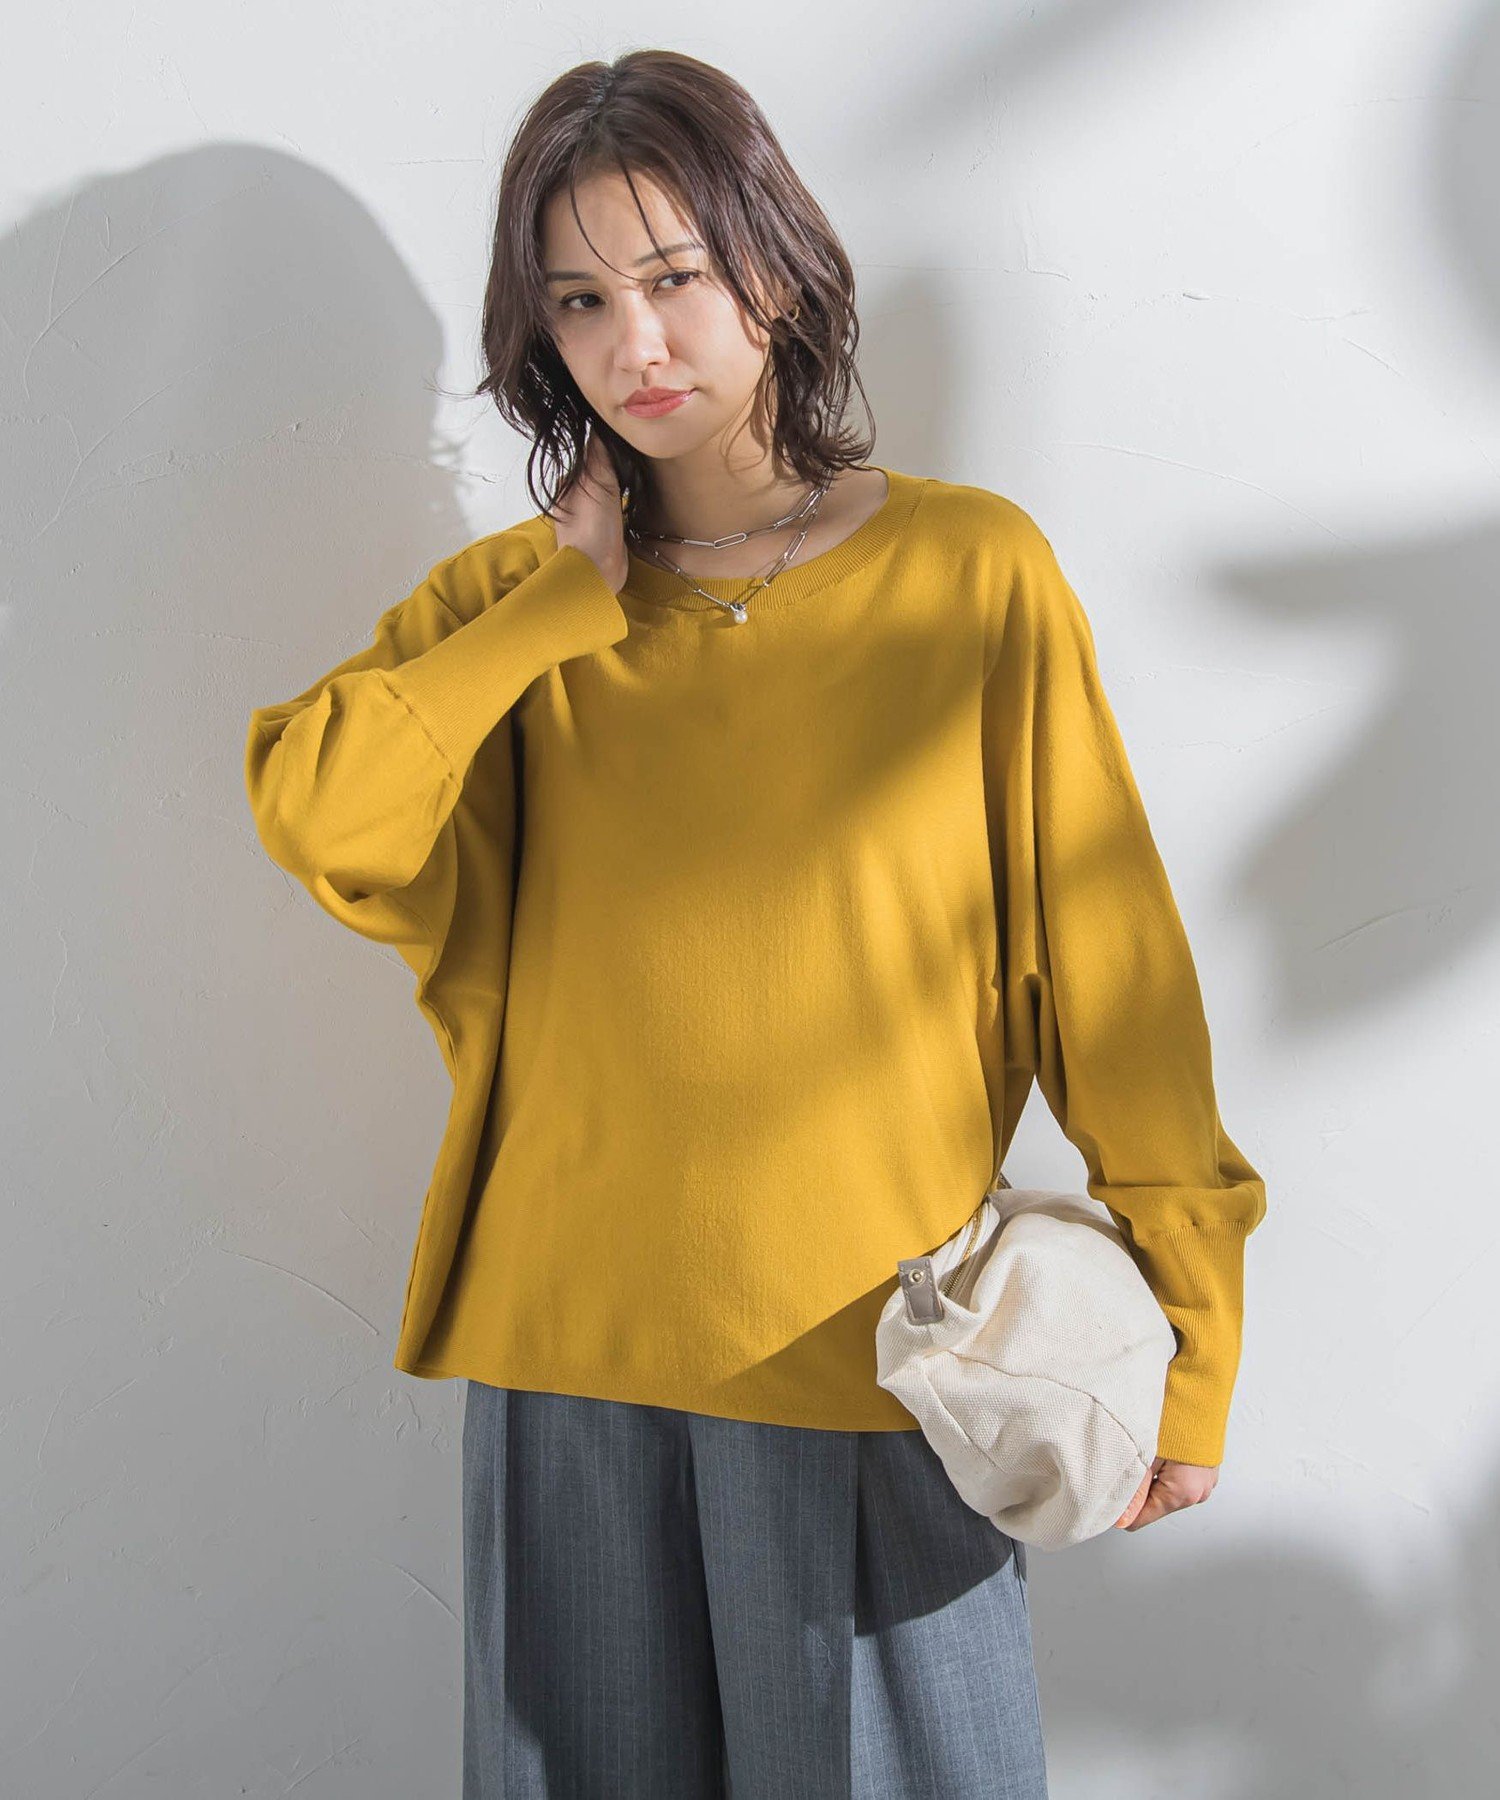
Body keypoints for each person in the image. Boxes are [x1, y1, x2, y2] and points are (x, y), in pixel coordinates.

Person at [242, 48, 1266, 1800]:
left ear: (774, 270)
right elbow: (320, 812)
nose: (634, 343)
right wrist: (553, 612)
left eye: (674, 278)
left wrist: (1193, 1336)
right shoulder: (516, 615)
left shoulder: (970, 576)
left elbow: (1112, 983)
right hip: (568, 1368)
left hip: (879, 1366)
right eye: (579, 301)